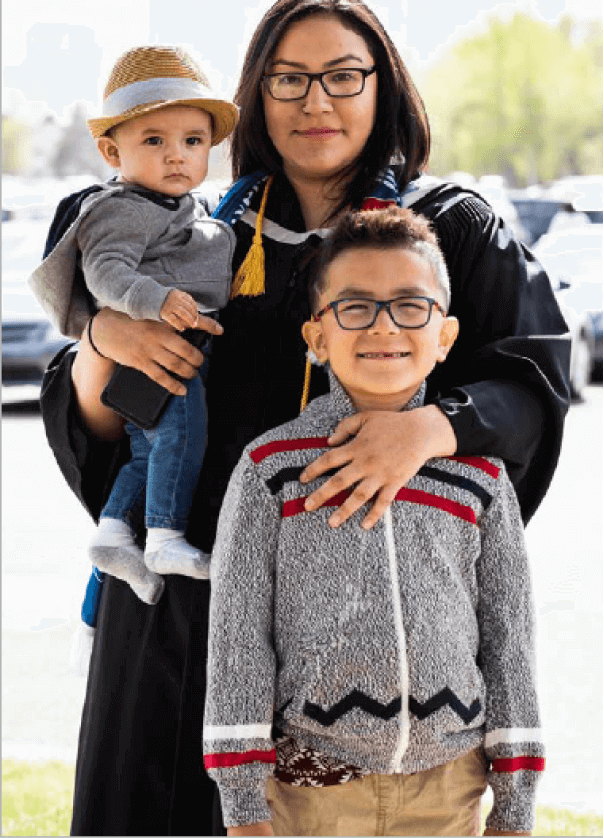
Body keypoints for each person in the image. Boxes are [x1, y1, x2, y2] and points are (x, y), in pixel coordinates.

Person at [39, 0, 570, 837]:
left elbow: (529, 387)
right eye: (287, 79)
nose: (315, 99)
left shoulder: (446, 231)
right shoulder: (196, 230)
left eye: (342, 75)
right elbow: (101, 429)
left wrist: (426, 431)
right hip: (182, 614)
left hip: (356, 639)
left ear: (384, 87)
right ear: (255, 98)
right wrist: (104, 339)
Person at [204, 206, 544, 837]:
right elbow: (238, 640)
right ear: (317, 337)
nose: (383, 325)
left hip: (450, 786)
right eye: (355, 307)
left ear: (445, 336)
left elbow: (510, 640)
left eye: (411, 306)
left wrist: (517, 797)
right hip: (309, 789)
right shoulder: (270, 470)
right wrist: (243, 801)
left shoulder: (484, 480)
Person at [31, 46, 239, 601]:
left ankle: (115, 533)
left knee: (149, 449)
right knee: (182, 432)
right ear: (110, 151)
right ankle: (167, 534)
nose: (177, 156)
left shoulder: (187, 207)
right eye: (154, 140)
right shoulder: (119, 206)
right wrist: (156, 299)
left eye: (193, 141)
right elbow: (105, 272)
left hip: (167, 341)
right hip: (154, 344)